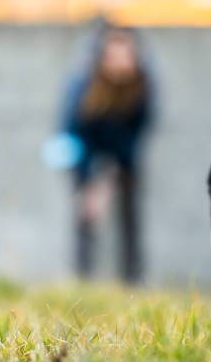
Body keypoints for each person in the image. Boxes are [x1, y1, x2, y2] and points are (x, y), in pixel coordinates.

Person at [58, 24, 153, 283]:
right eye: (114, 53)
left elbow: (139, 130)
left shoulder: (142, 84)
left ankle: (132, 278)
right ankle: (80, 275)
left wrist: (112, 174)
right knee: (85, 214)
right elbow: (74, 131)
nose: (121, 60)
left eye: (126, 53)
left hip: (124, 158)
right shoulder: (83, 85)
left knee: (129, 218)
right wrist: (91, 181)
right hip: (86, 156)